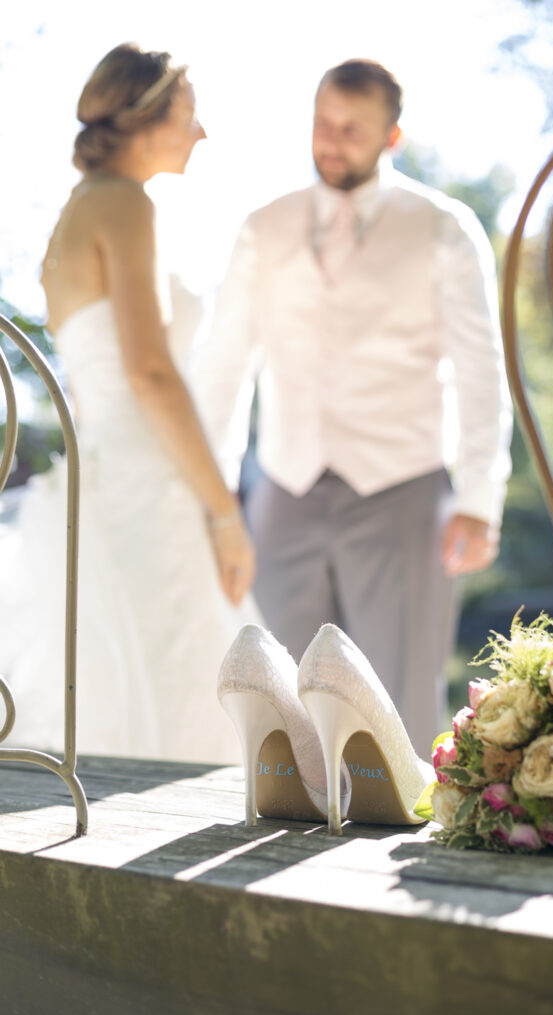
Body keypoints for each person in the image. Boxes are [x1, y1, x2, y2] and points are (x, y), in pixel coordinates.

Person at [192, 59, 513, 757]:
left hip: (401, 486)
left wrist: (480, 497)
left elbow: (481, 371)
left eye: (350, 129)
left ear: (390, 135)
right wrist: (216, 496)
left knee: (396, 703)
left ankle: (394, 851)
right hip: (283, 489)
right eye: (320, 123)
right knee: (276, 699)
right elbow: (223, 369)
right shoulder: (262, 224)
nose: (329, 142)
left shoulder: (443, 227)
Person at [0, 44, 258, 763]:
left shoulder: (76, 214)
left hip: (108, 473)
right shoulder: (123, 202)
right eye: (189, 114)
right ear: (147, 118)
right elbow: (149, 372)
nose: (201, 132)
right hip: (152, 486)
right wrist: (223, 510)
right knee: (190, 682)